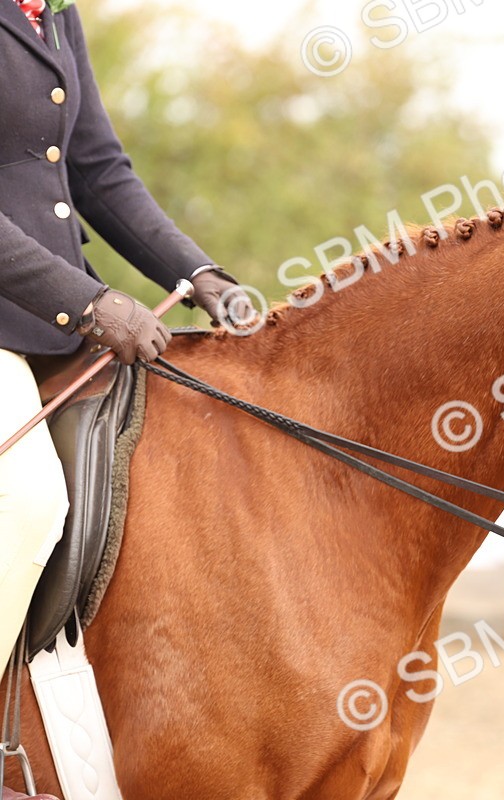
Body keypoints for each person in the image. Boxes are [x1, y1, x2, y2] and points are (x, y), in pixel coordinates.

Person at [0, 4, 253, 796]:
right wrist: (94, 304)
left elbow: (98, 170)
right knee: (28, 497)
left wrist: (200, 272)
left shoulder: (54, 16)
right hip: (15, 326)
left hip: (54, 327)